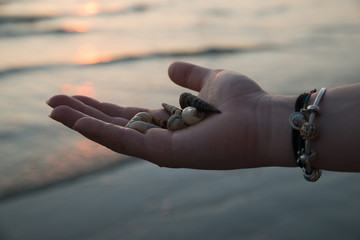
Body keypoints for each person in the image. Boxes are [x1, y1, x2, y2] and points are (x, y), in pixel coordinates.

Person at [47, 61, 360, 173]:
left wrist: (266, 123)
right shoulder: (185, 114)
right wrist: (270, 121)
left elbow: (183, 115)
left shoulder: (187, 114)